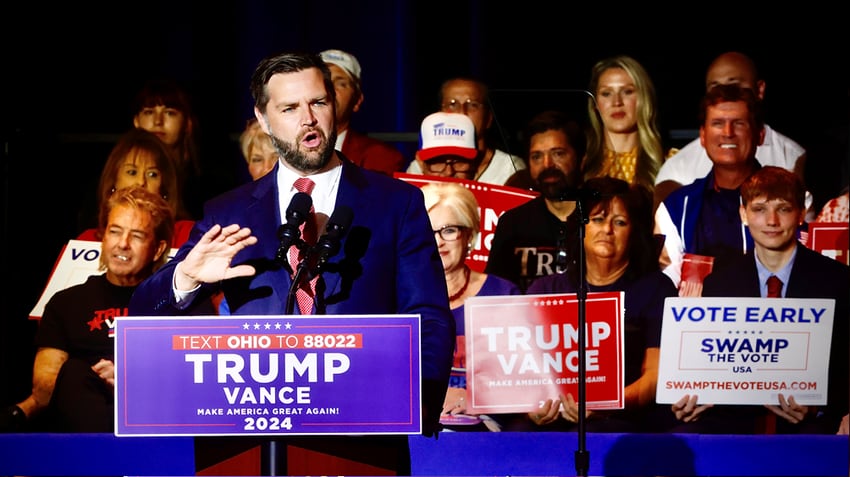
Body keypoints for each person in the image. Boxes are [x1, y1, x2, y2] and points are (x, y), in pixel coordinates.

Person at [127, 51, 454, 474]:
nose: (309, 118)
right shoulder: (230, 212)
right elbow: (143, 312)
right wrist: (185, 278)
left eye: (318, 102)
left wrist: (412, 406)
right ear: (263, 120)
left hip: (363, 441)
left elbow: (428, 315)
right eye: (290, 107)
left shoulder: (397, 203)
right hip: (247, 445)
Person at [668, 166, 849, 434]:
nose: (772, 221)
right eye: (759, 209)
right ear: (744, 214)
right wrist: (692, 400)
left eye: (783, 209)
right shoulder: (719, 284)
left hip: (814, 428)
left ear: (801, 214)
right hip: (738, 427)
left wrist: (820, 407)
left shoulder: (839, 281)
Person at [0, 186, 174, 432]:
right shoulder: (66, 303)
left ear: (157, 249)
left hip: (152, 417)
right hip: (83, 419)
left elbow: (193, 381)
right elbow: (44, 388)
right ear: (103, 238)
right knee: (72, 373)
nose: (122, 244)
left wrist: (128, 379)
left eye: (136, 236)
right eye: (115, 232)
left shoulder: (176, 301)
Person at [523, 176, 677, 433]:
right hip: (553, 416)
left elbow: (655, 377)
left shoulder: (656, 289)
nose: (607, 229)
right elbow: (521, 374)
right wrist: (531, 407)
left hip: (624, 417)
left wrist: (604, 404)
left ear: (634, 232)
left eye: (619, 222)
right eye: (597, 219)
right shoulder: (544, 290)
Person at [420, 182, 521, 432]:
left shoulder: (503, 295)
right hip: (418, 421)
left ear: (470, 236)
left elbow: (524, 380)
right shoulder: (395, 295)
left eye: (449, 230)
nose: (438, 242)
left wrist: (473, 398)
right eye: (427, 232)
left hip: (485, 427)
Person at [654, 51, 807, 207]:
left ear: (760, 89)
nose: (727, 95)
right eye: (716, 88)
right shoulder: (679, 166)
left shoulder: (792, 158)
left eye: (734, 86)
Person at [654, 84, 765, 291]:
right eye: (717, 123)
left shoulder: (792, 201)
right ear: (703, 136)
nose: (728, 133)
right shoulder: (676, 208)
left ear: (760, 134)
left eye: (739, 123)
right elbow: (667, 288)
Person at [485, 110, 585, 292]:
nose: (547, 165)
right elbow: (496, 295)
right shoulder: (512, 224)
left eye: (558, 154)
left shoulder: (599, 219)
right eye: (537, 156)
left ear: (580, 159)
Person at [77, 127, 195, 247]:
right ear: (113, 182)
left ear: (164, 188)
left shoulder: (189, 235)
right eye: (132, 172)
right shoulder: (87, 241)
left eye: (152, 174)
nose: (141, 182)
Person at [407, 77, 526, 184]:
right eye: (452, 104)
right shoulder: (418, 167)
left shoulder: (510, 168)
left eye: (473, 105)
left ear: (488, 118)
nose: (462, 112)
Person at [581, 55, 666, 195]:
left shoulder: (670, 162)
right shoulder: (581, 163)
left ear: (643, 98)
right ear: (595, 104)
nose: (617, 102)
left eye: (627, 91)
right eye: (606, 93)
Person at [319, 49, 406, 176]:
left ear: (357, 101)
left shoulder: (380, 158)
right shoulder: (285, 150)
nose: (330, 89)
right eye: (324, 81)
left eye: (341, 84)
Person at [131, 78, 207, 219]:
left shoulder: (204, 187)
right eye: (149, 112)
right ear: (136, 121)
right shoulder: (115, 174)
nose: (158, 121)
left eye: (169, 112)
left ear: (187, 123)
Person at [415, 112, 478, 180]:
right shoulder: (407, 189)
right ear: (420, 163)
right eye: (438, 162)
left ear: (474, 164)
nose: (449, 172)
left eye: (459, 162)